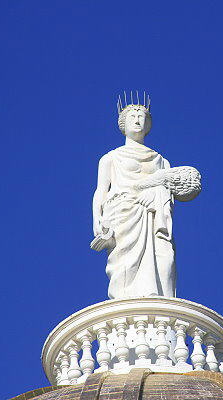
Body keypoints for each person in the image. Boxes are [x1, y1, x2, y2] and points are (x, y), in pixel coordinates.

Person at [91, 98, 176, 299]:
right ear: (123, 124)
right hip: (124, 212)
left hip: (155, 213)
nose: (137, 120)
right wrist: (97, 218)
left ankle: (159, 296)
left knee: (164, 258)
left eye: (141, 117)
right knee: (125, 261)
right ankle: (127, 300)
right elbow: (101, 190)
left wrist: (156, 195)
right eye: (132, 117)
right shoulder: (111, 157)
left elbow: (171, 191)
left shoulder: (162, 161)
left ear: (148, 124)